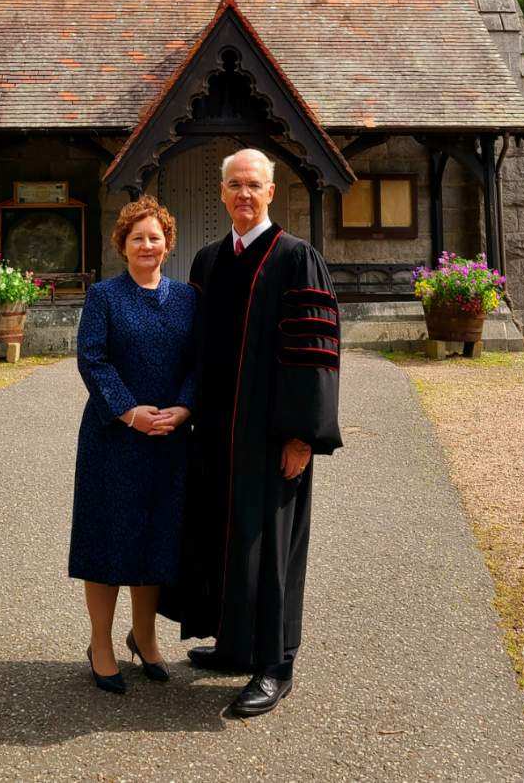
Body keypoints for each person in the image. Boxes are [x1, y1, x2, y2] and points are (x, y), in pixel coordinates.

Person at [182, 148, 341, 718]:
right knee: (225, 533)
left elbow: (314, 350)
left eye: (254, 185)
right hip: (217, 432)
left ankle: (276, 664)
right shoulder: (208, 261)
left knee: (273, 547)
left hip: (273, 436)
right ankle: (233, 644)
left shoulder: (298, 259)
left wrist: (302, 436)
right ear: (221, 193)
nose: (244, 194)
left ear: (271, 192)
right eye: (234, 185)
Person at [68, 197, 197, 693]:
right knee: (106, 540)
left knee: (155, 539)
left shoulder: (187, 298)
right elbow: (92, 359)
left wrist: (184, 408)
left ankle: (145, 637)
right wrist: (128, 412)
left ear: (168, 243)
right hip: (112, 438)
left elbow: (198, 363)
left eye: (155, 237)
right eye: (137, 237)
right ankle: (101, 643)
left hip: (168, 438)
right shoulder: (104, 296)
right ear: (122, 245)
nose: (147, 244)